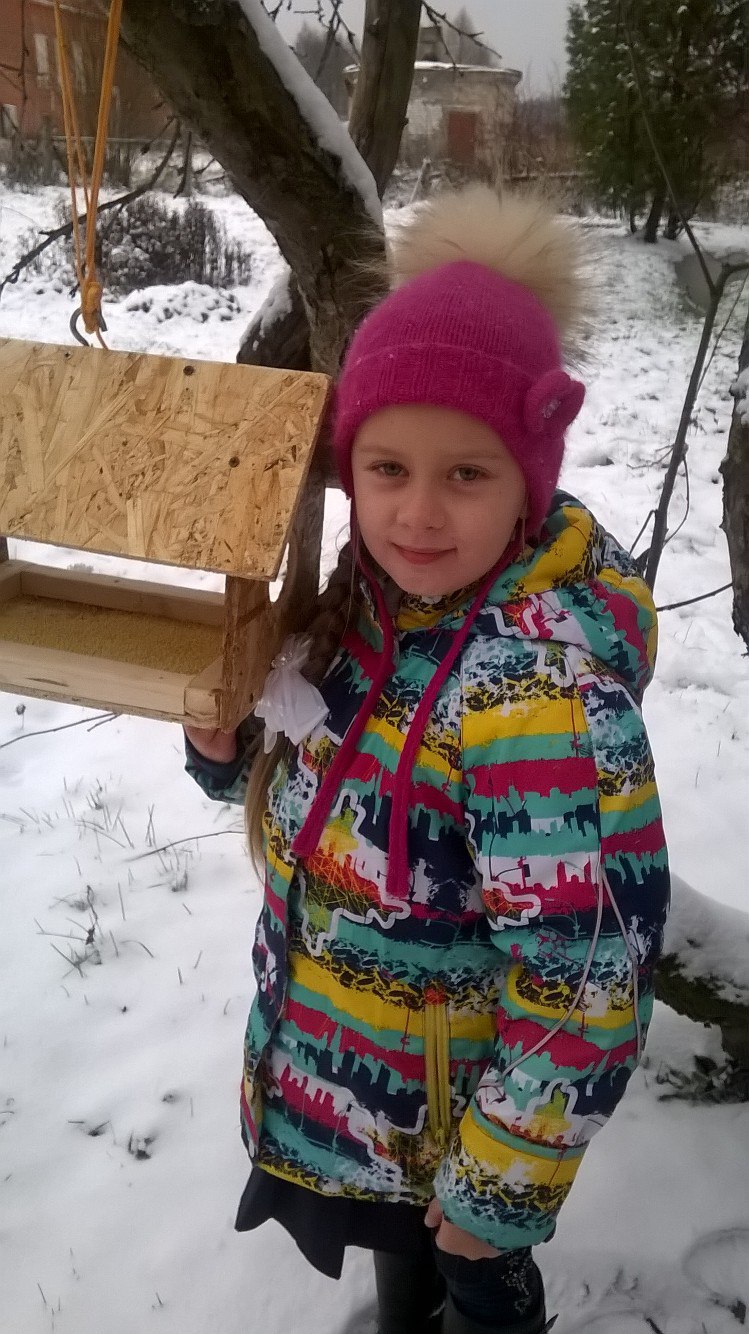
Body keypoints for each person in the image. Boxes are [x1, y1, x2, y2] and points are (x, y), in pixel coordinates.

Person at [184, 186, 670, 1334]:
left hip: (457, 1129)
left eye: (466, 473)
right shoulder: (368, 607)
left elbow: (585, 977)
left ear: (527, 481)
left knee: (466, 1283)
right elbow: (326, 780)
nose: (416, 512)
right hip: (365, 1106)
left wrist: (497, 1188)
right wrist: (230, 753)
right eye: (387, 467)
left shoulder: (535, 697)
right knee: (405, 1265)